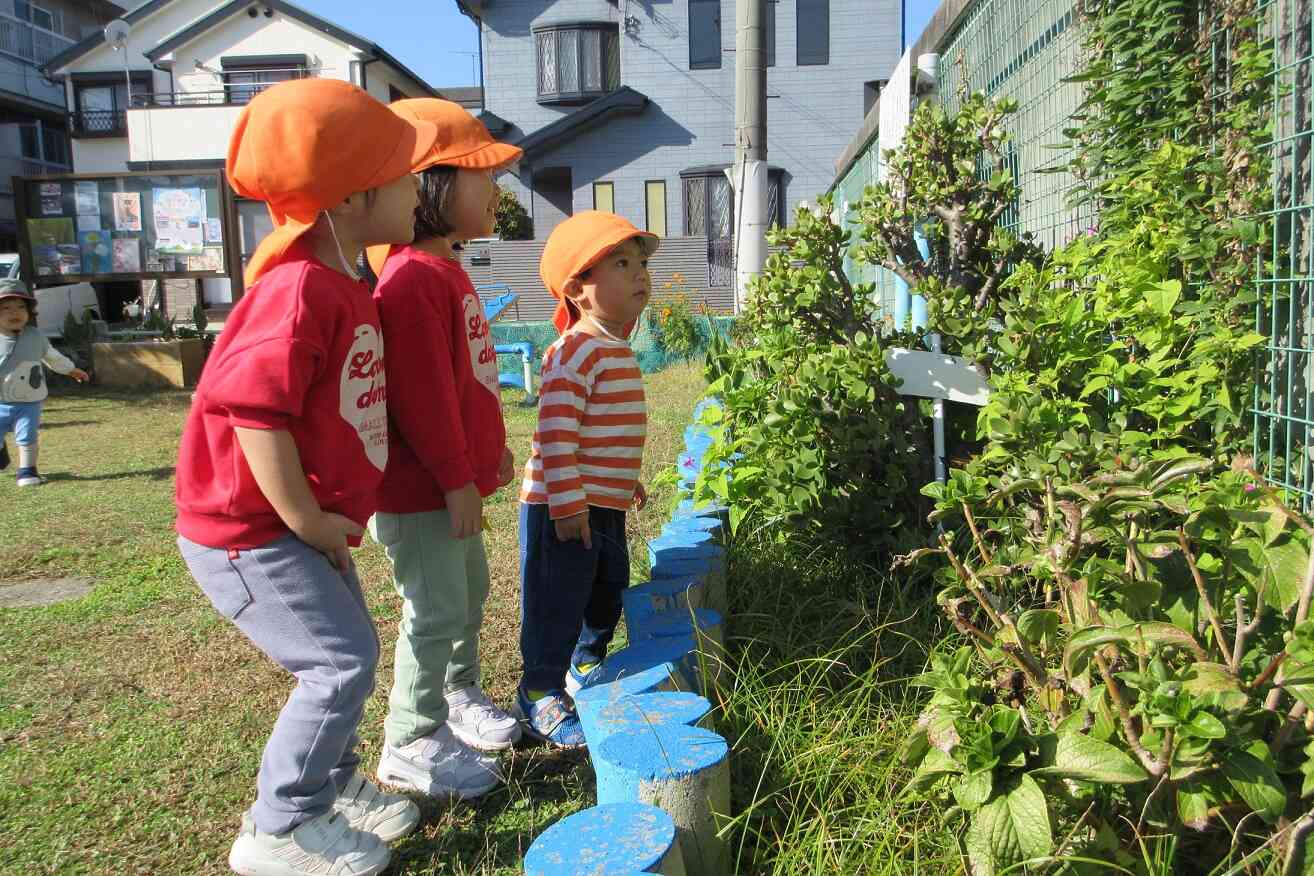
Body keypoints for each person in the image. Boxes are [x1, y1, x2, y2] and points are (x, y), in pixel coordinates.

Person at [174, 79, 436, 876]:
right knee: (337, 662)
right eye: (403, 175)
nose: (418, 188)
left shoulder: (338, 281)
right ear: (353, 196)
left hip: (298, 524)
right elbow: (254, 414)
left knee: (348, 652)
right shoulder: (295, 291)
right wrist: (307, 520)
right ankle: (280, 826)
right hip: (253, 534)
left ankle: (331, 784)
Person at [364, 99, 524, 798]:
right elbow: (421, 400)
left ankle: (458, 697)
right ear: (429, 186)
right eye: (480, 174)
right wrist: (459, 477)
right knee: (432, 609)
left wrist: (491, 454)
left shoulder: (445, 270)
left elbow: (470, 383)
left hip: (454, 483)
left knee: (466, 595)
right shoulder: (408, 280)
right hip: (422, 488)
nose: (497, 191)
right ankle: (411, 736)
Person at [516, 211, 657, 748]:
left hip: (602, 501)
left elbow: (604, 429)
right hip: (562, 504)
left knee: (607, 589)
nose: (639, 273)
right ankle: (539, 691)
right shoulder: (575, 348)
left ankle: (584, 667)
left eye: (640, 262)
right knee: (557, 598)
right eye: (621, 264)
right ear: (578, 288)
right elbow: (555, 432)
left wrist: (626, 477)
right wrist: (569, 503)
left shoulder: (613, 346)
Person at [0, 279, 89, 486]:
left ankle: (27, 471)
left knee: (27, 436)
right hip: (0, 401)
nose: (15, 313)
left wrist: (71, 369)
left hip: (30, 401)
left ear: (30, 311)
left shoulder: (36, 336)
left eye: (21, 307)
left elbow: (52, 357)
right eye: (6, 308)